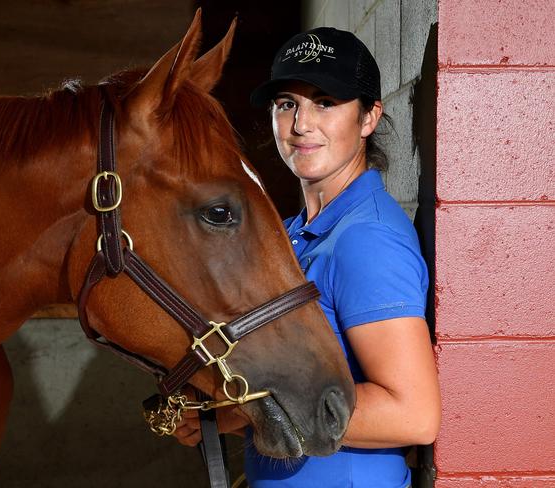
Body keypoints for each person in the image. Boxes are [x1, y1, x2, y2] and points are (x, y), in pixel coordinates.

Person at [175, 27, 441, 487]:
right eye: (286, 104)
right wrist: (231, 414)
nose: (301, 124)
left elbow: (411, 413)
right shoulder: (301, 233)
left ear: (368, 118)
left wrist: (253, 407)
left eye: (325, 102)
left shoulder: (365, 239)